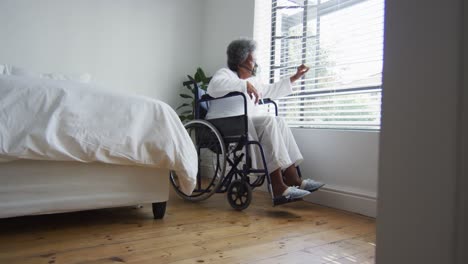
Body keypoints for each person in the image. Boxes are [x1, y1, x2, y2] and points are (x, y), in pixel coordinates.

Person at [205, 38, 325, 200]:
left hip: (244, 123)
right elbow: (213, 87)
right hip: (223, 124)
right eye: (253, 60)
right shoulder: (224, 74)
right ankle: (277, 185)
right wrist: (244, 85)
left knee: (278, 121)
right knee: (268, 121)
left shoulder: (254, 81)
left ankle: (293, 177)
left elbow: (270, 90)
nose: (255, 64)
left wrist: (294, 78)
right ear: (241, 61)